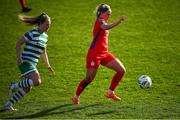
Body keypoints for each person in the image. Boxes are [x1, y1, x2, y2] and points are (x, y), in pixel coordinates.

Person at [72, 3, 126, 105]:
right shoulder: (100, 21)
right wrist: (118, 22)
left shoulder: (103, 20)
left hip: (104, 53)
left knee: (121, 70)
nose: (109, 16)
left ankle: (110, 92)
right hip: (94, 54)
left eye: (110, 14)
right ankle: (76, 96)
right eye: (107, 14)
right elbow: (105, 27)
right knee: (89, 79)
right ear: (101, 13)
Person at [3, 12, 54, 111]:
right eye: (47, 24)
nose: (48, 26)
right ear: (40, 23)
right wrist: (19, 58)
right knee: (36, 81)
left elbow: (44, 52)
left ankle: (8, 104)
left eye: (50, 25)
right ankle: (14, 85)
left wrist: (48, 65)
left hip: (32, 64)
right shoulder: (32, 33)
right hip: (25, 61)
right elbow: (18, 43)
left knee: (27, 88)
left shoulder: (45, 37)